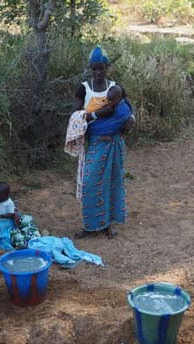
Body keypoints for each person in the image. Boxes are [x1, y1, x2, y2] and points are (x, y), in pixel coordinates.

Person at [72, 46, 135, 240]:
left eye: (101, 68)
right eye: (94, 69)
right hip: (95, 144)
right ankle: (90, 225)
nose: (98, 73)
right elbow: (76, 116)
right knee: (90, 183)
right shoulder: (84, 88)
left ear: (107, 68)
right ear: (90, 68)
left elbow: (129, 110)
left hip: (114, 143)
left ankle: (107, 225)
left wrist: (130, 121)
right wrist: (97, 114)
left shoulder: (115, 88)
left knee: (111, 183)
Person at [0, 182, 41, 253]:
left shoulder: (9, 203)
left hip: (7, 221)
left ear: (6, 195)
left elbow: (11, 214)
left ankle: (6, 241)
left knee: (2, 229)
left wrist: (2, 216)